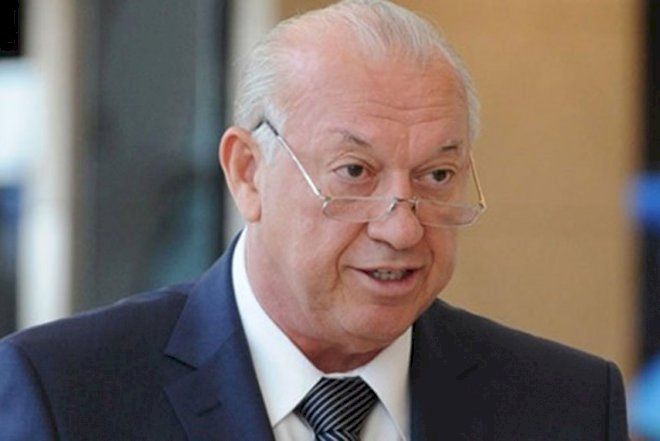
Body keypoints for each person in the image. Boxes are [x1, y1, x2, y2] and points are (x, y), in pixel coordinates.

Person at [0, 1, 629, 439]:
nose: (402, 230)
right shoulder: (66, 395)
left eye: (436, 176)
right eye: (355, 172)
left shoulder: (566, 406)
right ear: (248, 173)